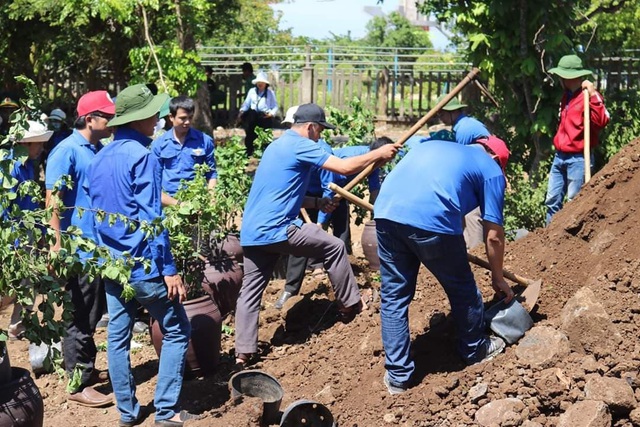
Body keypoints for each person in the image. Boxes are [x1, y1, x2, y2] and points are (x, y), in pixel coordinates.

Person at [235, 103, 398, 366]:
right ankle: (351, 305)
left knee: (250, 291)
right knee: (334, 246)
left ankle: (243, 352)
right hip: (278, 228)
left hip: (253, 232)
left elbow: (283, 191)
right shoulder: (301, 144)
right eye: (320, 130)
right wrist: (378, 154)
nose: (321, 136)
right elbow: (343, 168)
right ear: (310, 127)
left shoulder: (276, 146)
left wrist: (317, 203)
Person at [86, 83, 196, 427]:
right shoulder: (143, 156)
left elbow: (95, 215)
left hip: (112, 264)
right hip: (143, 264)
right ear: (139, 119)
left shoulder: (99, 156)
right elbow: (151, 218)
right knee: (177, 329)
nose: (158, 119)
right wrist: (169, 269)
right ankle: (166, 411)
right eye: (153, 114)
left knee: (117, 338)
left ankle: (128, 413)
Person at [373, 136, 513, 395]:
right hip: (431, 220)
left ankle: (397, 377)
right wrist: (498, 277)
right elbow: (493, 235)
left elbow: (448, 204)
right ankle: (475, 349)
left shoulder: (436, 147)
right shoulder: (491, 169)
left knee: (393, 297)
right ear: (497, 159)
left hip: (385, 214)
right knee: (463, 290)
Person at [45, 90, 115, 407]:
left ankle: (87, 371)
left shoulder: (95, 148)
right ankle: (77, 384)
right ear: (91, 119)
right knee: (78, 317)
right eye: (108, 116)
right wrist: (56, 246)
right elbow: (53, 201)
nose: (112, 121)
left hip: (96, 249)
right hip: (77, 251)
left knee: (91, 315)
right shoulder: (67, 151)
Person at [274, 137, 392, 309]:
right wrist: (320, 223)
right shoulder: (331, 155)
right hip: (313, 196)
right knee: (301, 241)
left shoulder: (374, 163)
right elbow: (327, 187)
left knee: (342, 235)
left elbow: (374, 189)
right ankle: (290, 290)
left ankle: (348, 279)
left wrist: (379, 211)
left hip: (339, 194)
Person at [544, 54, 610, 225]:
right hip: (560, 155)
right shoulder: (566, 96)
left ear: (567, 77)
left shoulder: (588, 96)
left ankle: (572, 243)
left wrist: (593, 94)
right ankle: (549, 238)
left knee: (575, 202)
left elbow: (602, 120)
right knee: (552, 199)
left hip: (579, 158)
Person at [4, 121, 52, 339]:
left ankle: (17, 325)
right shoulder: (9, 167)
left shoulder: (27, 164)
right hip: (14, 236)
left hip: (27, 232)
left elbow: (30, 204)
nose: (41, 148)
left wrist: (40, 231)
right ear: (25, 143)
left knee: (29, 280)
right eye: (38, 144)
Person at [436, 95, 491, 249]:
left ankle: (475, 252)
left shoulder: (464, 130)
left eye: (442, 114)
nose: (440, 118)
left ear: (452, 112)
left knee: (472, 213)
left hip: (481, 174)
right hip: (480, 171)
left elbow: (461, 161)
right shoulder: (464, 125)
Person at [151, 95, 217, 207]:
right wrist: (178, 204)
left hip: (197, 203)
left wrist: (211, 199)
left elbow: (211, 174)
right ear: (171, 117)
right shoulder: (159, 144)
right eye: (182, 118)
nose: (187, 122)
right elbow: (154, 181)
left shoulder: (204, 141)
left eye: (190, 117)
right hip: (169, 205)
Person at [237, 71, 278, 156]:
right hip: (253, 116)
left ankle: (265, 153)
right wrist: (242, 111)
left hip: (265, 116)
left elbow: (275, 106)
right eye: (258, 82)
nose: (260, 84)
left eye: (262, 83)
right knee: (250, 133)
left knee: (265, 136)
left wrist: (271, 114)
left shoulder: (270, 93)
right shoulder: (252, 91)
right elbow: (247, 103)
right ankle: (249, 151)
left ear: (265, 84)